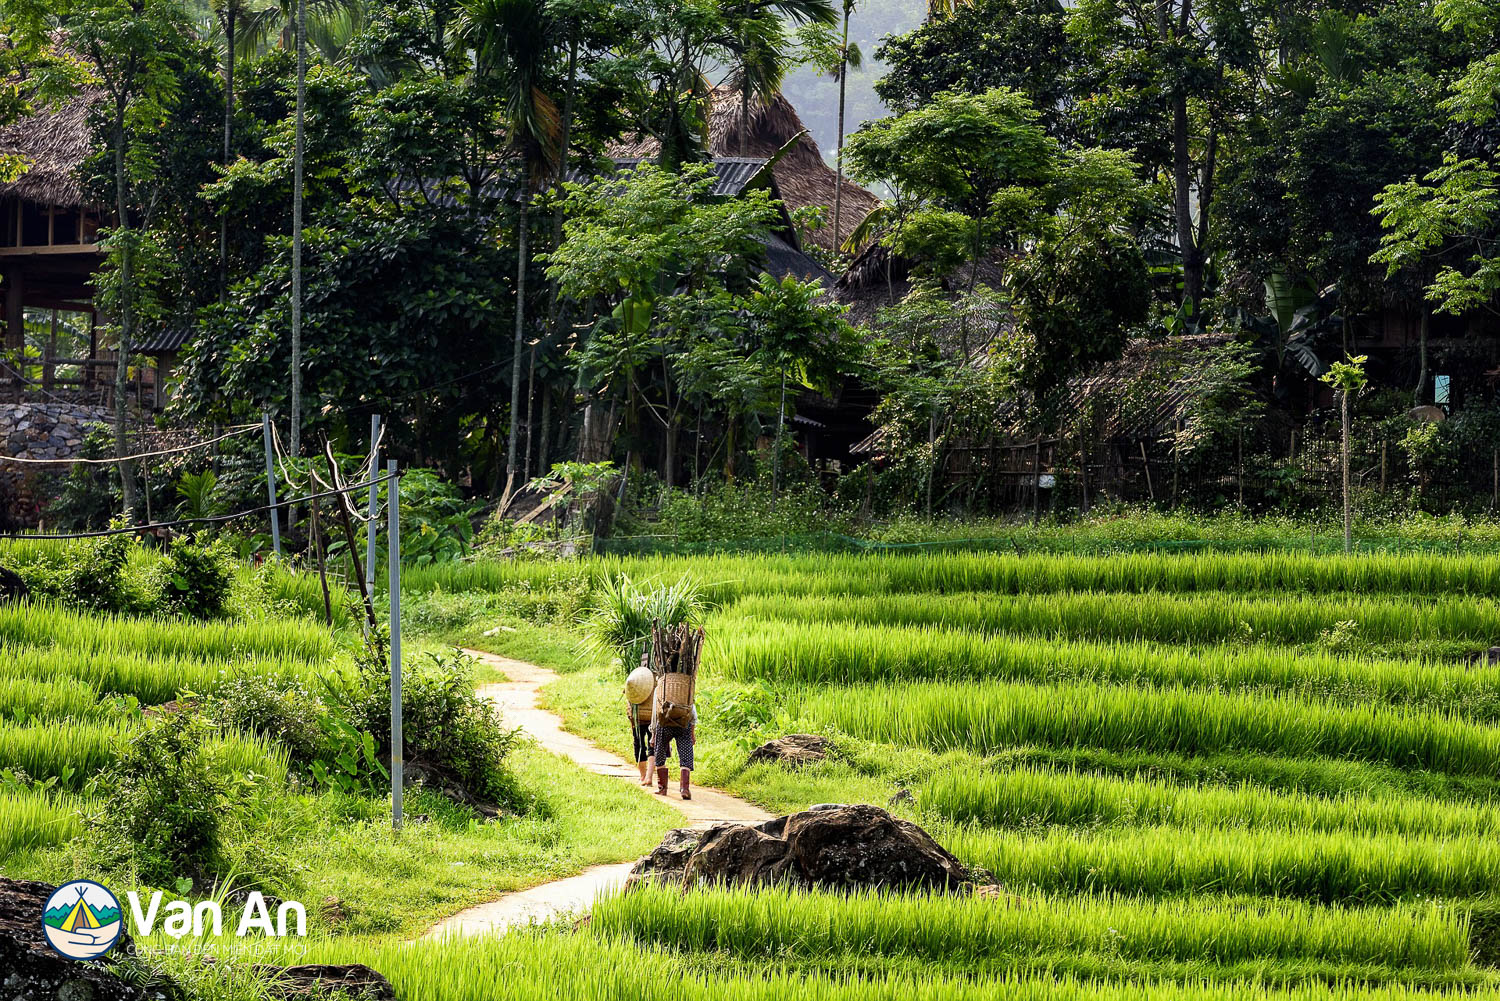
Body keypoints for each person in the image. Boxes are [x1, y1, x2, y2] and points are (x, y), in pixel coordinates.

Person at [652, 706, 695, 801]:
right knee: (686, 753)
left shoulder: (660, 690)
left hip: (664, 724)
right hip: (683, 723)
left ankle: (662, 788)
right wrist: (692, 732)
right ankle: (685, 789)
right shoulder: (687, 690)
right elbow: (693, 712)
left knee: (660, 752)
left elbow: (655, 712)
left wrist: (653, 733)